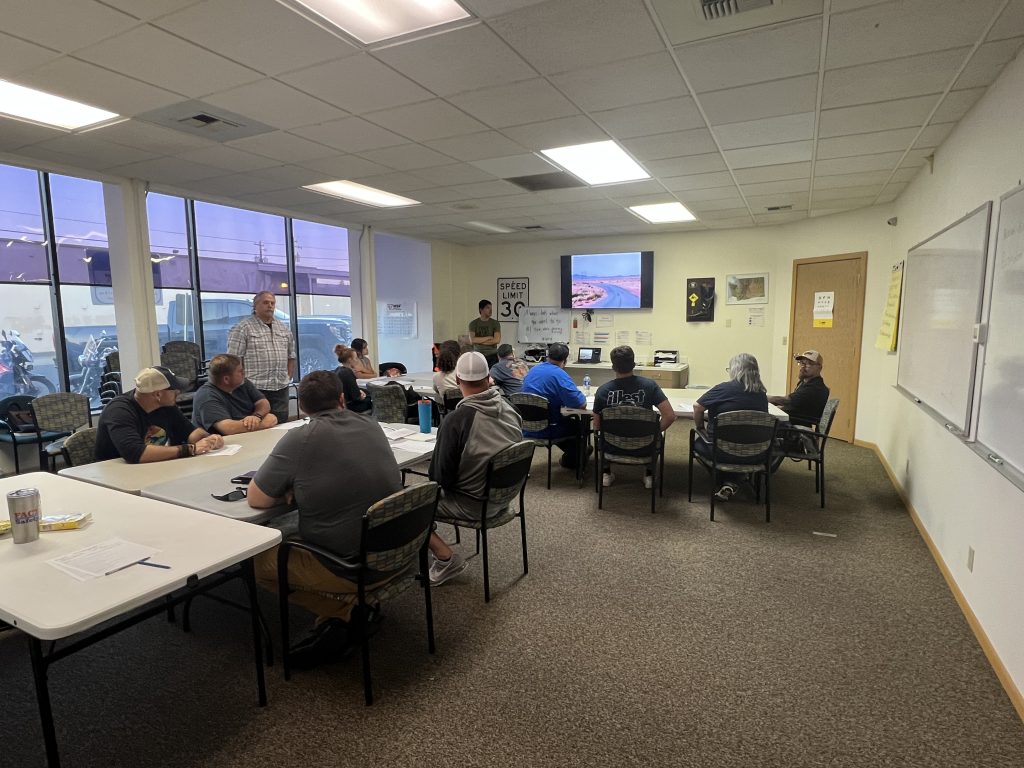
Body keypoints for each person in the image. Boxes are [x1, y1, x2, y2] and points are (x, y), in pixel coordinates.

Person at [247, 370, 403, 667]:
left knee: (255, 563)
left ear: (302, 407)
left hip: (350, 565)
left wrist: (288, 491)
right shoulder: (371, 425)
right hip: (395, 550)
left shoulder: (300, 438)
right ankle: (355, 608)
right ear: (342, 398)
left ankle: (346, 611)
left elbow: (256, 499)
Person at [425, 352, 524, 586]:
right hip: (504, 497)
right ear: (489, 377)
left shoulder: (457, 420)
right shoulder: (511, 409)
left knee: (406, 505)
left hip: (473, 503)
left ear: (457, 380)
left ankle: (445, 558)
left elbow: (439, 478)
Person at [95, 366, 224, 463]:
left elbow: (189, 433)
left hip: (152, 469)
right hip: (116, 478)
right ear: (158, 394)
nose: (178, 392)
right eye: (174, 389)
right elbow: (136, 454)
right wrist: (190, 449)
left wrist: (209, 438)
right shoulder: (119, 411)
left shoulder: (166, 406)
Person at [592, 345, 676, 488]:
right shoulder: (650, 386)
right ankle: (649, 474)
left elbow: (597, 426)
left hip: (612, 446)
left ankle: (606, 473)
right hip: (645, 446)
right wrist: (654, 432)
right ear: (634, 364)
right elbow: (670, 416)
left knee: (600, 435)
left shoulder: (603, 390)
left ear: (613, 367)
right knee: (657, 436)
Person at [691, 353, 769, 502]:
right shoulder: (761, 393)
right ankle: (733, 480)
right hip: (755, 453)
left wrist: (700, 427)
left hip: (720, 451)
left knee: (697, 442)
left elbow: (697, 407)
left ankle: (723, 477)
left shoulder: (724, 388)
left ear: (735, 369)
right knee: (739, 441)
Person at [226, 290, 296, 425]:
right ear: (255, 306)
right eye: (265, 303)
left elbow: (291, 356)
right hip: (255, 387)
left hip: (280, 387)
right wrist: (242, 384)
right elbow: (233, 360)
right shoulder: (243, 328)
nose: (270, 306)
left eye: (272, 303)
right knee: (254, 424)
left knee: (281, 423)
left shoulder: (283, 328)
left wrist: (287, 377)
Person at [521, 342, 588, 471]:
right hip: (549, 428)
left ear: (547, 355)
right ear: (565, 360)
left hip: (526, 428)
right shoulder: (559, 374)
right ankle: (573, 459)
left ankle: (574, 453)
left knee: (567, 425)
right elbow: (581, 404)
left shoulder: (534, 370)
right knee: (580, 426)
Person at [191, 354, 279, 435]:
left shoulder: (243, 383)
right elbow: (228, 428)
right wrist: (263, 424)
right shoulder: (207, 396)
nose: (243, 373)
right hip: (221, 445)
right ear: (226, 379)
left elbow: (263, 403)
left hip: (247, 435)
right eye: (240, 371)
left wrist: (256, 416)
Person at [768, 350, 830, 428]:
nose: (803, 367)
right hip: (792, 422)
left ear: (819, 368)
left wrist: (763, 398)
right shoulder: (804, 382)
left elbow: (786, 400)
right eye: (802, 363)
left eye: (809, 364)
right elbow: (794, 405)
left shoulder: (815, 388)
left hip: (794, 429)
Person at [334, 344, 371, 414]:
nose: (357, 360)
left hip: (345, 403)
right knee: (372, 398)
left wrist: (359, 391)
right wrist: (362, 395)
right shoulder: (347, 373)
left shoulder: (338, 370)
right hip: (352, 406)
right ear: (350, 360)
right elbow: (356, 397)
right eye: (356, 358)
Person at [469, 299, 501, 366]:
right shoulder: (473, 323)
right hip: (478, 355)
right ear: (481, 309)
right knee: (478, 375)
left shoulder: (495, 323)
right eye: (488, 308)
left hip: (492, 355)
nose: (490, 310)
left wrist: (479, 341)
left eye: (491, 308)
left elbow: (497, 340)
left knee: (491, 375)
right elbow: (472, 340)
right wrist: (489, 337)